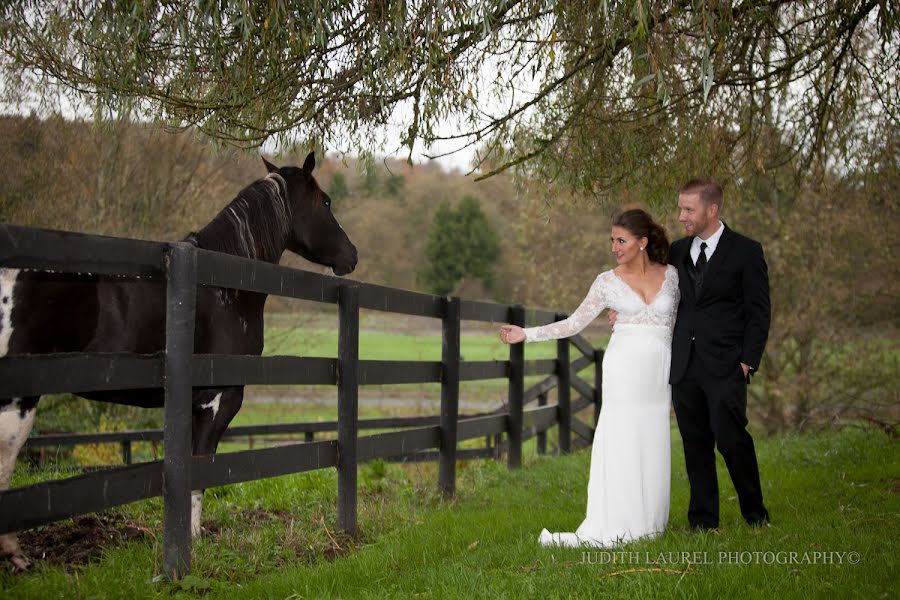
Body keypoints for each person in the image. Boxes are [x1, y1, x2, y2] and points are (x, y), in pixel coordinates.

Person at [499, 209, 679, 547]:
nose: (614, 246)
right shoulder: (607, 281)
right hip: (623, 371)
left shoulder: (672, 276)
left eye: (621, 240)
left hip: (658, 374)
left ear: (642, 242)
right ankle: (618, 520)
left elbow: (680, 323)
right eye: (612, 239)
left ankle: (649, 520)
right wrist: (527, 333)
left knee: (652, 438)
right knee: (622, 437)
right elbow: (573, 323)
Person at [667, 179, 771, 530]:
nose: (682, 216)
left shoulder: (746, 250)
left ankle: (755, 514)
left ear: (712, 210)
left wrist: (745, 362)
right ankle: (703, 522)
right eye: (681, 208)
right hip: (684, 365)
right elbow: (659, 295)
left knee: (731, 440)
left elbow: (759, 312)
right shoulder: (676, 252)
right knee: (695, 444)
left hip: (727, 365)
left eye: (688, 209)